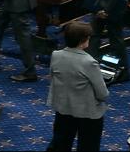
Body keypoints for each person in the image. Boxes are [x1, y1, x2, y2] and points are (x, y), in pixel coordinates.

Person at [47, 21, 109, 152]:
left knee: (61, 143)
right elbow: (102, 94)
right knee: (88, 146)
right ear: (83, 39)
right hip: (88, 113)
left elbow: (53, 79)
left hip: (64, 108)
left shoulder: (56, 55)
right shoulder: (89, 62)